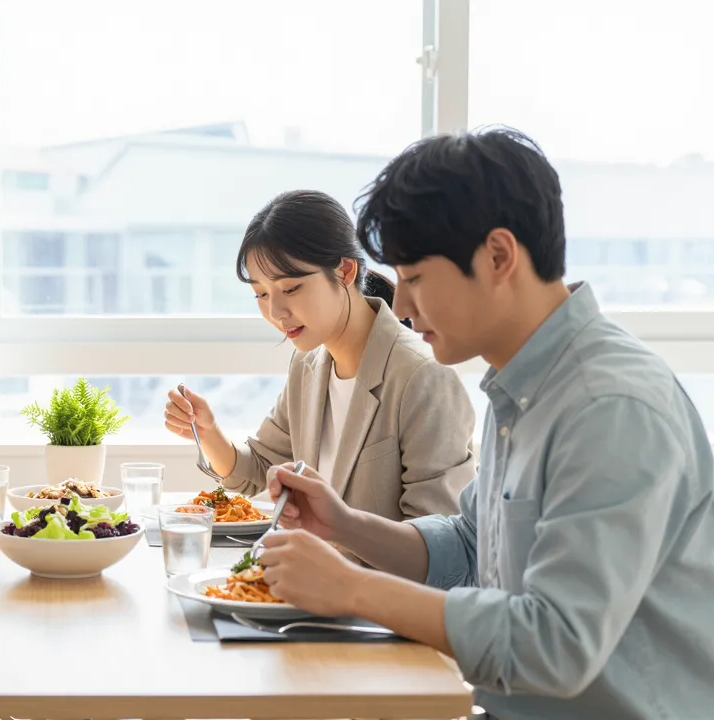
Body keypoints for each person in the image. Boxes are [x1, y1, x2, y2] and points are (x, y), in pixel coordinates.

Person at [258, 128, 714, 719]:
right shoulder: (521, 386)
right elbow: (473, 548)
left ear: (499, 256)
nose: (401, 306)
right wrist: (345, 525)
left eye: (416, 277)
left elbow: (556, 644)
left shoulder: (609, 406)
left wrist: (352, 588)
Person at [165, 190, 475, 520]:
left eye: (291, 289)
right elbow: (260, 468)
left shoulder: (424, 378)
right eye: (261, 294)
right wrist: (208, 432)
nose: (275, 312)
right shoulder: (308, 365)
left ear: (344, 271)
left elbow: (439, 543)